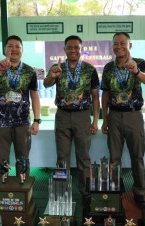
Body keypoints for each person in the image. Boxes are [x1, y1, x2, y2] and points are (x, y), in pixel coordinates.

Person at [43, 35, 99, 205]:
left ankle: (85, 192)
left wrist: (95, 120)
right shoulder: (57, 67)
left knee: (84, 157)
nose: (73, 50)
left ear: (81, 49)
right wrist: (52, 76)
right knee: (62, 157)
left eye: (77, 47)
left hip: (83, 116)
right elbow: (46, 84)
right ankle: (62, 192)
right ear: (64, 49)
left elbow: (95, 97)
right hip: (63, 116)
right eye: (70, 47)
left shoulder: (90, 70)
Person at [101, 32, 145, 208]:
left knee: (137, 155)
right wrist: (105, 119)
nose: (119, 46)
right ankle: (116, 189)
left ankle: (139, 191)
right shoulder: (108, 68)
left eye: (123, 43)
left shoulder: (140, 62)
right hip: (114, 115)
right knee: (114, 156)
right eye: (116, 43)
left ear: (130, 45)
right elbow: (105, 94)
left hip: (133, 114)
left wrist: (136, 71)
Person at [0, 35, 40, 181]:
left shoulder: (29, 71)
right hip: (1, 122)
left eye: (17, 47)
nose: (14, 49)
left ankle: (24, 193)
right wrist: (0, 70)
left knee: (23, 159)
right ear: (5, 49)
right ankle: (2, 193)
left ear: (22, 50)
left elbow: (34, 95)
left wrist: (37, 120)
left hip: (23, 122)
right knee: (1, 159)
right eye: (10, 46)